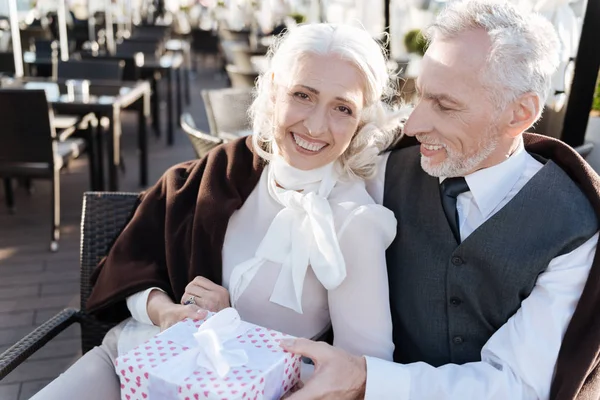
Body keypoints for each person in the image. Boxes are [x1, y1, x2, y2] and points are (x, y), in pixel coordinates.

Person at [31, 23, 404, 399]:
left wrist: (238, 334)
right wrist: (167, 312)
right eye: (303, 95)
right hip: (131, 360)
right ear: (274, 90)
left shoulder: (354, 222)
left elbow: (361, 374)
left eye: (342, 107)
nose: (316, 125)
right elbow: (131, 261)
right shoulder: (228, 168)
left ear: (361, 120)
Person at [279, 1, 600, 399]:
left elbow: (517, 386)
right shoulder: (384, 170)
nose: (413, 125)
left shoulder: (574, 229)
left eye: (444, 105)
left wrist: (368, 379)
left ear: (519, 114)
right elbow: (282, 167)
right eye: (420, 95)